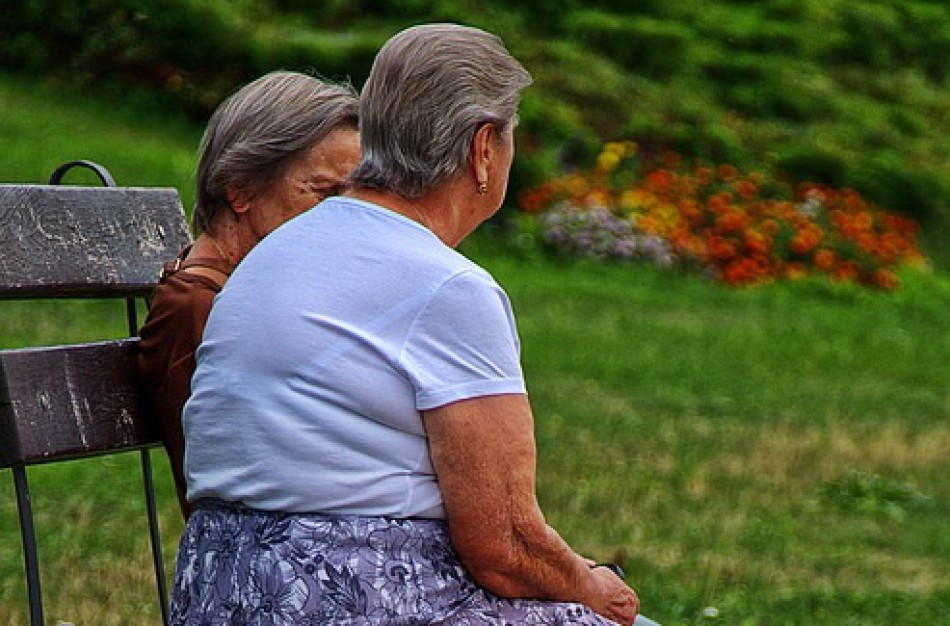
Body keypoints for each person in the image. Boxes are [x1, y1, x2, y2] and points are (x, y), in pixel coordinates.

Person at [171, 24, 641, 625]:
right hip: (351, 598)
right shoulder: (447, 286)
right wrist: (591, 584)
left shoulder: (274, 253)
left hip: (220, 592)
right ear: (482, 149)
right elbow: (504, 547)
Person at [137, 70, 360, 518]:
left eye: (354, 196)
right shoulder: (199, 306)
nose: (346, 217)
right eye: (324, 193)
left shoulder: (258, 288)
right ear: (240, 190)